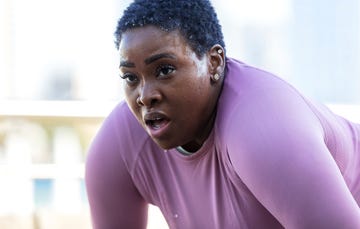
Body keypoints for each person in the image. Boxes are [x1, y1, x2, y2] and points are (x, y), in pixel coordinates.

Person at [85, 0, 360, 228]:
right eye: (131, 78)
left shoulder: (263, 132)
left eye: (165, 70)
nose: (145, 96)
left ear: (214, 62)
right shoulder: (119, 147)